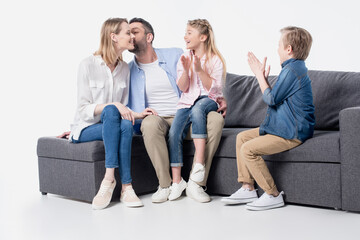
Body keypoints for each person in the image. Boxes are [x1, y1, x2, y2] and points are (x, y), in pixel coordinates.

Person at [128, 18, 227, 203]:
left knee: (215, 119)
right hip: (158, 119)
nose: (130, 36)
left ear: (149, 37)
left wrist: (218, 99)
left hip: (186, 112)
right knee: (149, 124)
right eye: (127, 32)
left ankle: (197, 183)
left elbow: (204, 87)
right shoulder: (127, 70)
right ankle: (167, 185)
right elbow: (118, 102)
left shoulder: (176, 54)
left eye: (134, 31)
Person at [221, 26, 315, 210]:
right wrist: (263, 78)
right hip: (282, 126)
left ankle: (272, 194)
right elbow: (276, 97)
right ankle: (247, 188)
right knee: (242, 138)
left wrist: (258, 75)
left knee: (248, 149)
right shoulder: (292, 69)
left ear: (289, 49)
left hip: (291, 132)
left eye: (279, 44)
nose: (277, 48)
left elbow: (271, 99)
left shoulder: (293, 70)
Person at [67, 18, 156, 210]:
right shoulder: (87, 64)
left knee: (124, 124)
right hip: (86, 127)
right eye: (127, 32)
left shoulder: (124, 68)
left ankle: (125, 186)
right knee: (110, 110)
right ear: (113, 37)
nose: (132, 36)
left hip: (113, 125)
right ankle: (112, 179)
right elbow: (84, 109)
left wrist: (138, 114)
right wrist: (113, 105)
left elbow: (122, 109)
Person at [167, 19, 226, 201]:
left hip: (208, 100)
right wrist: (186, 71)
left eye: (189, 32)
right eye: (186, 32)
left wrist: (200, 70)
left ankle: (199, 164)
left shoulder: (215, 60)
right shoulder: (184, 57)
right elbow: (183, 88)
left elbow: (213, 90)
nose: (185, 36)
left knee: (199, 108)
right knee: (174, 132)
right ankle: (177, 181)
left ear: (203, 37)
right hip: (187, 101)